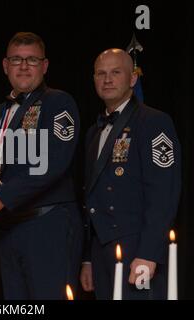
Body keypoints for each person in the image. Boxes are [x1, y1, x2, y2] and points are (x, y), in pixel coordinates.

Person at [0, 32, 83, 299]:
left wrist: (1, 196)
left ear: (45, 66)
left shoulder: (58, 102)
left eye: (32, 59)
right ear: (6, 66)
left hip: (48, 225)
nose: (24, 66)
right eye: (17, 59)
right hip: (10, 227)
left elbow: (55, 162)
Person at [80, 49, 181, 299]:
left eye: (116, 72)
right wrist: (87, 260)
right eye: (101, 74)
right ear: (94, 79)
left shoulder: (153, 122)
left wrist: (148, 253)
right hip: (102, 251)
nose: (107, 80)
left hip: (137, 248)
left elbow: (163, 193)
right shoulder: (93, 133)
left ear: (133, 79)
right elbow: (90, 199)